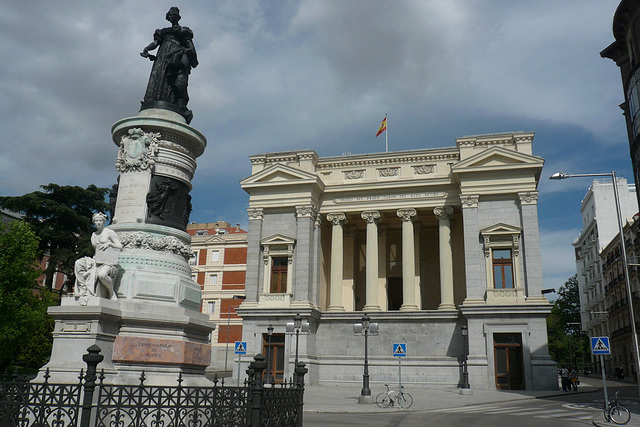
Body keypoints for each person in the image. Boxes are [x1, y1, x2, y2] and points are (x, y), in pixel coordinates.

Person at [140, 7, 198, 123]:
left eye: (173, 14)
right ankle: (156, 99)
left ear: (177, 16)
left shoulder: (183, 31)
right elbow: (155, 43)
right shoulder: (163, 32)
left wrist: (183, 52)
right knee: (158, 76)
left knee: (177, 82)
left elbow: (190, 47)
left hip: (176, 56)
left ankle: (177, 102)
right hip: (162, 56)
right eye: (170, 14)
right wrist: (146, 49)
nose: (171, 16)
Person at [74, 212, 122, 305]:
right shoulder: (94, 234)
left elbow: (119, 246)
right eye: (96, 221)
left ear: (104, 222)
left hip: (109, 262)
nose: (98, 223)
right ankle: (83, 289)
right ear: (94, 222)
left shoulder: (109, 232)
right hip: (96, 260)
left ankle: (111, 293)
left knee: (101, 275)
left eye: (100, 220)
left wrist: (109, 243)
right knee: (78, 263)